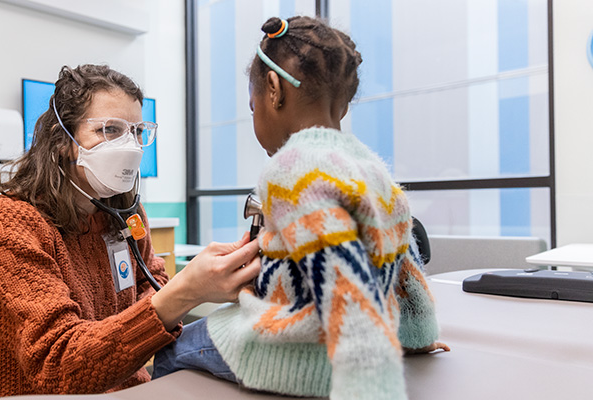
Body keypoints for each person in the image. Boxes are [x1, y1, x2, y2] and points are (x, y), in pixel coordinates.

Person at [152, 16, 449, 399]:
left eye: (252, 105)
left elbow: (348, 290)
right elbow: (405, 270)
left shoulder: (293, 169)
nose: (255, 116)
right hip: (339, 344)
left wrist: (370, 387)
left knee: (168, 352)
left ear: (273, 90)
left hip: (296, 355)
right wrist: (419, 336)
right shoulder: (375, 172)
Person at [0, 64, 261, 399]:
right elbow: (59, 365)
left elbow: (154, 285)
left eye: (136, 132)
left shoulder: (125, 215)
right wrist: (185, 293)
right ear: (64, 140)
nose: (130, 146)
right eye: (109, 130)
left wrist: (183, 290)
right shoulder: (6, 222)